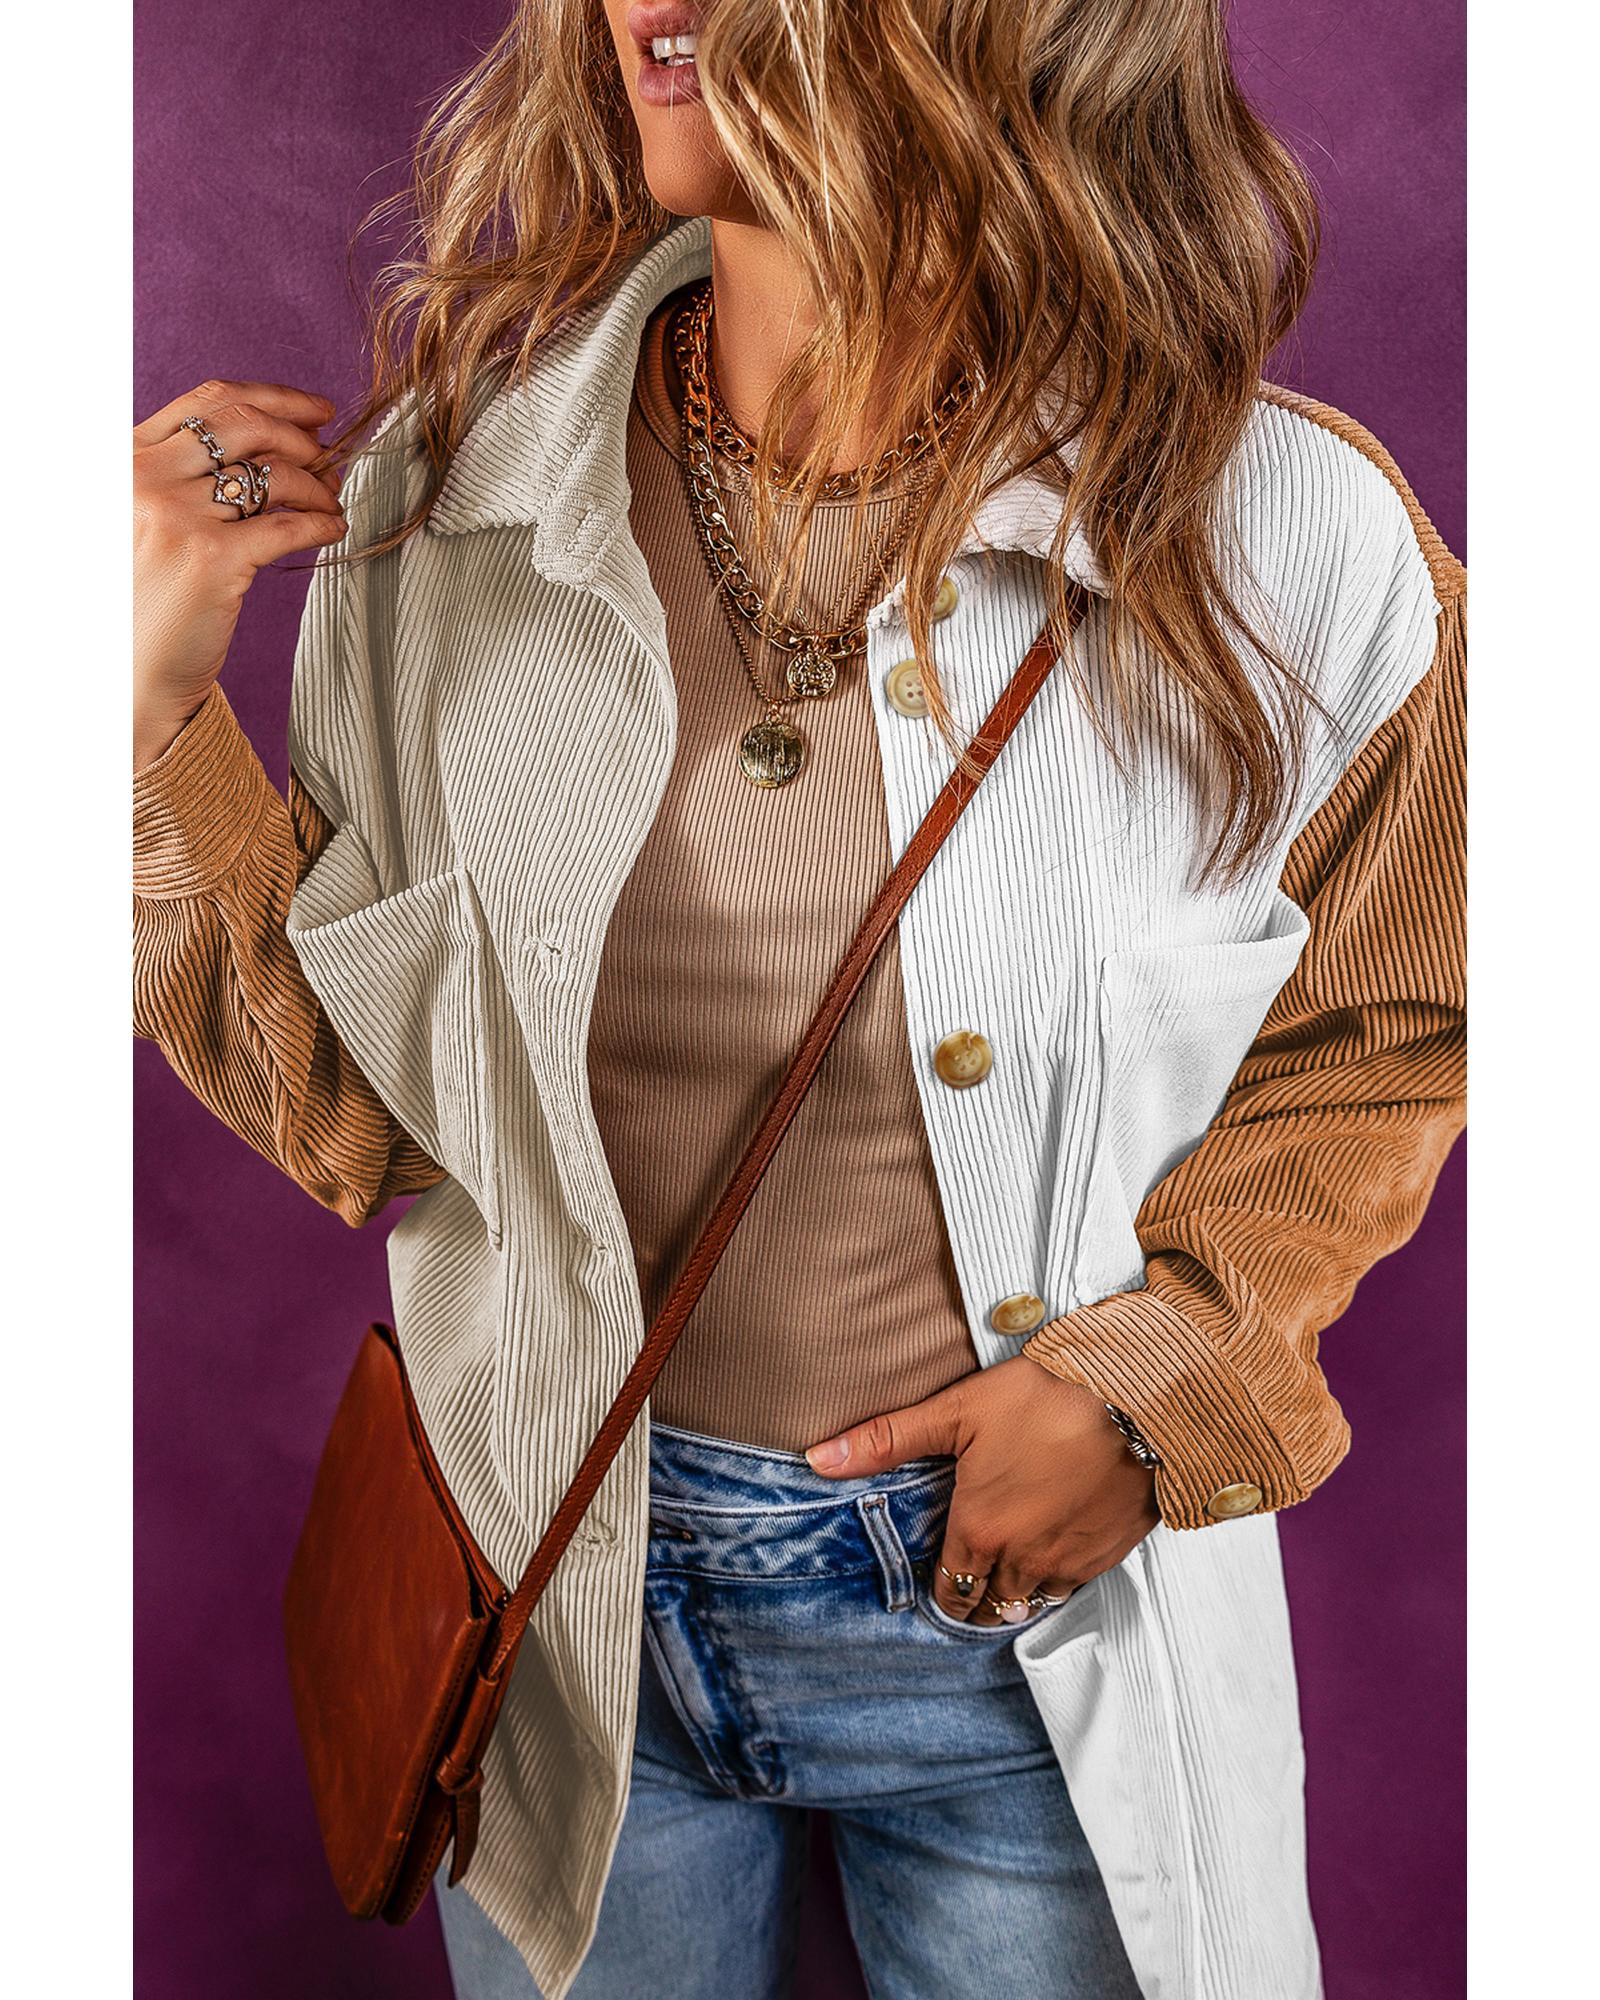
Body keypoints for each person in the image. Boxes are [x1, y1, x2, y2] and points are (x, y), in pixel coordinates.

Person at [131, 4, 1465, 1997]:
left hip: (1026, 1628)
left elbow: (1395, 1028)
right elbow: (359, 1114)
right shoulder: (446, 505)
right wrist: (138, 713)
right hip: (554, 1609)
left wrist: (1169, 1376)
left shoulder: (1288, 534)